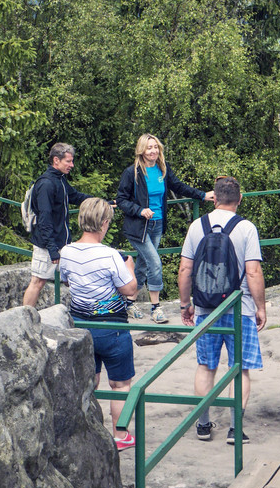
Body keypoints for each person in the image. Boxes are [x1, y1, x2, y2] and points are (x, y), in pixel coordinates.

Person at [177, 176, 265, 445]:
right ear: (239, 199)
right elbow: (253, 271)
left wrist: (185, 305)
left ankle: (203, 425)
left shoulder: (196, 226)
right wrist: (260, 306)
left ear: (214, 198)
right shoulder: (246, 228)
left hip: (206, 308)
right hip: (240, 307)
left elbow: (185, 270)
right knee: (239, 369)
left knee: (206, 367)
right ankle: (234, 429)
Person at [58, 198, 139, 451]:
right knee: (120, 385)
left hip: (81, 326)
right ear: (104, 223)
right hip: (113, 328)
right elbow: (129, 289)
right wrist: (130, 267)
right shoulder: (111, 255)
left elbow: (67, 281)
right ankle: (121, 434)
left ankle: (90, 431)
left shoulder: (66, 252)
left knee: (89, 381)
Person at [116, 134, 215, 324]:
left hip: (157, 224)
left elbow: (178, 186)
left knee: (143, 264)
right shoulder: (132, 173)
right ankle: (156, 308)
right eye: (149, 148)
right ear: (141, 151)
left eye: (155, 147)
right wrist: (139, 210)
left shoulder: (163, 168)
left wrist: (202, 195)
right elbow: (121, 199)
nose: (153, 151)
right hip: (139, 227)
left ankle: (129, 302)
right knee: (154, 263)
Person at [24, 142, 95, 308]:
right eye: (68, 161)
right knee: (37, 281)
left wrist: (100, 202)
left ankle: (84, 313)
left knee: (74, 278)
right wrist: (52, 249)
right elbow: (44, 218)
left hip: (62, 242)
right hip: (48, 244)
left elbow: (76, 196)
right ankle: (24, 318)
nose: (72, 165)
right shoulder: (47, 184)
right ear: (56, 160)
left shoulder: (60, 180)